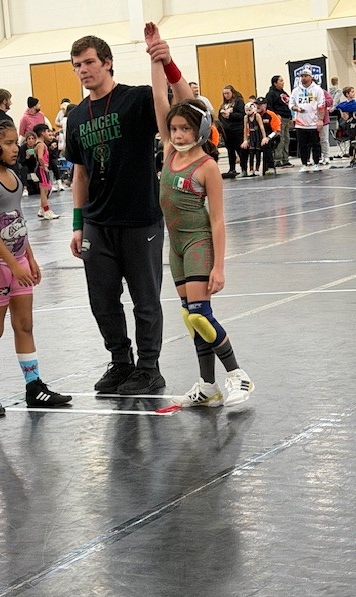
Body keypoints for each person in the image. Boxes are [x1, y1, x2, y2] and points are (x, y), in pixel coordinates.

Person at [66, 32, 191, 395]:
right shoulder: (76, 117)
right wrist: (77, 224)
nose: (83, 70)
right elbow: (80, 174)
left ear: (107, 62)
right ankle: (121, 362)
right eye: (77, 65)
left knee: (145, 300)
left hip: (140, 219)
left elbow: (187, 105)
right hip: (97, 223)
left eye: (89, 62)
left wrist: (166, 62)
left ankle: (149, 368)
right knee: (102, 300)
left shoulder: (136, 99)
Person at [145, 22, 254, 408]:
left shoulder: (207, 166)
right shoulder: (169, 151)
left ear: (201, 130)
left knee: (201, 316)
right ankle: (207, 385)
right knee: (190, 317)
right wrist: (155, 56)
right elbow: (160, 98)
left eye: (184, 129)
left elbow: (219, 220)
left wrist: (219, 267)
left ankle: (237, 375)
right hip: (175, 247)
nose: (176, 134)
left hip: (198, 243)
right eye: (173, 129)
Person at [0, 120, 72, 416]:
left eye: (16, 142)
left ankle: (34, 386)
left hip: (18, 262)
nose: (16, 148)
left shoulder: (13, 176)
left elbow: (18, 221)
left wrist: (30, 257)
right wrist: (14, 264)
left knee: (24, 325)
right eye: (9, 143)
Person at [288, 65, 325, 172]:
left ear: (310, 77)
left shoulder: (317, 90)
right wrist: (296, 108)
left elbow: (321, 106)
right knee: (302, 145)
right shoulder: (296, 90)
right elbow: (291, 104)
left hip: (313, 121)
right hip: (300, 122)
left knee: (315, 144)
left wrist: (320, 120)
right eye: (302, 76)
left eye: (305, 76)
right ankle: (304, 163)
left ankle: (316, 163)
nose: (303, 78)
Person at [217, 85, 246, 178]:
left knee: (240, 150)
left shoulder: (238, 101)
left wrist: (230, 115)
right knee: (230, 150)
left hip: (237, 129)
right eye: (224, 94)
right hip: (227, 131)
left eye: (228, 93)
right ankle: (232, 168)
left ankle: (244, 168)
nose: (226, 95)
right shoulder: (224, 104)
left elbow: (242, 115)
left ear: (232, 93)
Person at [265, 75, 293, 167]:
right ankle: (277, 159)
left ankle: (285, 159)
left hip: (286, 118)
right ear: (275, 83)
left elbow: (287, 105)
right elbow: (269, 107)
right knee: (280, 139)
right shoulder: (271, 94)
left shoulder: (283, 93)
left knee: (286, 139)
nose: (283, 82)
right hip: (279, 118)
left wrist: (290, 116)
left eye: (283, 80)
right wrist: (276, 115)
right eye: (280, 81)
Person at [33, 123, 59, 220]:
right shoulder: (41, 144)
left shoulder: (40, 144)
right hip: (42, 169)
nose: (49, 134)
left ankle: (42, 209)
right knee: (44, 191)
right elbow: (40, 157)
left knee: (47, 189)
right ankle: (47, 211)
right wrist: (44, 167)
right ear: (42, 133)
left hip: (41, 168)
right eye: (47, 131)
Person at [240, 101, 269, 177]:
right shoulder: (246, 117)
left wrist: (264, 137)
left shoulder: (257, 116)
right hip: (251, 136)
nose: (248, 112)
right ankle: (251, 169)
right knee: (251, 153)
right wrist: (245, 140)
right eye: (246, 110)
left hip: (258, 136)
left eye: (249, 110)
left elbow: (261, 127)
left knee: (258, 153)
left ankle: (257, 169)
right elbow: (245, 129)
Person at [255, 96, 281, 175]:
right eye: (257, 104)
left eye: (261, 104)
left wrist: (268, 138)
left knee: (266, 144)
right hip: (257, 137)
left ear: (265, 105)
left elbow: (277, 131)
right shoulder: (253, 115)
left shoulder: (271, 114)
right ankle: (246, 169)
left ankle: (270, 167)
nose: (258, 106)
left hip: (271, 137)